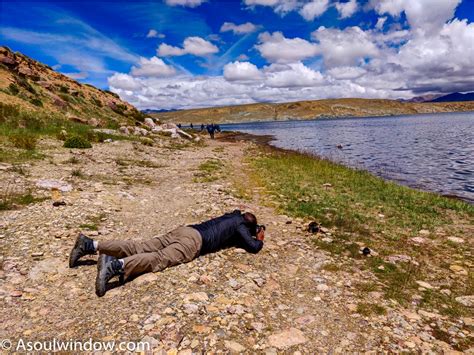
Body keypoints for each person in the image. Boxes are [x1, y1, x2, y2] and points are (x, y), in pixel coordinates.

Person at [69, 210, 265, 297]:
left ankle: (91, 244)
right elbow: (254, 247)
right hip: (194, 242)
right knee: (159, 259)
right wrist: (259, 235)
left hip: (185, 230)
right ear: (248, 225)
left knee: (141, 246)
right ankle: (117, 266)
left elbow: (237, 218)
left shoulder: (234, 215)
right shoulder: (241, 226)